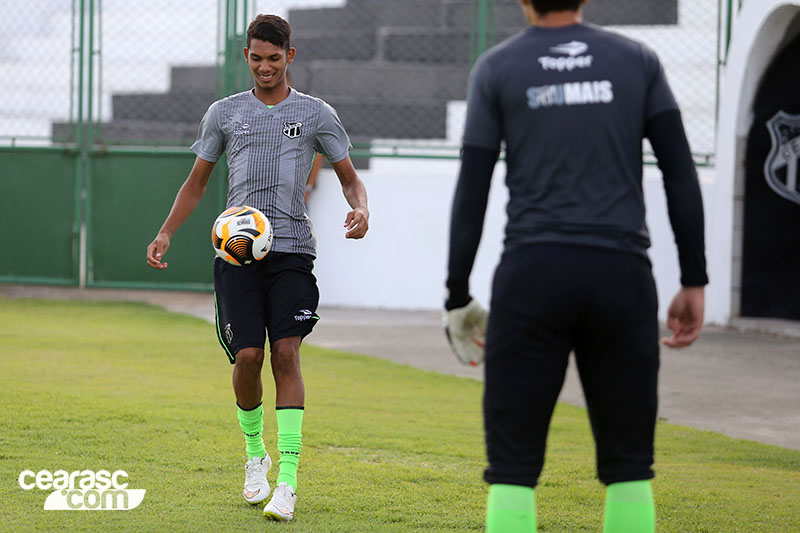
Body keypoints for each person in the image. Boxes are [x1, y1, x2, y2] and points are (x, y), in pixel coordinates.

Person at [443, 1, 707, 531]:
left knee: (513, 467)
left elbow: (473, 188)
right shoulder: (637, 60)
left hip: (533, 274)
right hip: (622, 276)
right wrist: (693, 279)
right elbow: (680, 173)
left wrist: (457, 294)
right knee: (630, 464)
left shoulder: (496, 67)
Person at [145, 13, 369, 522]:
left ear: (290, 57)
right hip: (236, 254)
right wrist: (166, 231)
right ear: (245, 57)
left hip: (292, 251)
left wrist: (361, 206)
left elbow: (349, 178)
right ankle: (255, 455)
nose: (264, 67)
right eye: (256, 58)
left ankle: (286, 481)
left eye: (274, 58)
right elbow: (197, 183)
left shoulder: (315, 114)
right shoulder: (224, 113)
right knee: (248, 357)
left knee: (285, 354)